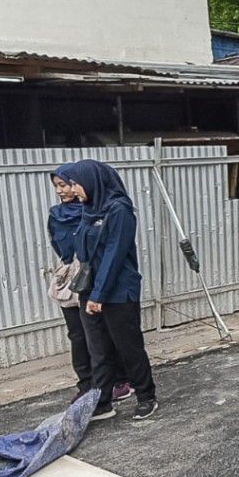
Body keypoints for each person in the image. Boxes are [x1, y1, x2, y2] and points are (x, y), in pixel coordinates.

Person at [52, 160, 159, 421]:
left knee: (127, 346)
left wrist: (99, 295)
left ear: (92, 181)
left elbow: (114, 254)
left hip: (118, 290)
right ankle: (101, 402)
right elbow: (80, 252)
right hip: (89, 288)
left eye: (76, 183)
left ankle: (146, 396)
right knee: (97, 348)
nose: (73, 190)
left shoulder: (120, 210)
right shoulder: (89, 211)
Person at [46, 178, 95, 402]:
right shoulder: (55, 216)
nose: (60, 190)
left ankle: (110, 380)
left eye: (64, 185)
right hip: (69, 278)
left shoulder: (91, 212)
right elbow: (57, 245)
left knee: (97, 332)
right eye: (56, 185)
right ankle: (85, 382)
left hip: (91, 276)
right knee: (76, 333)